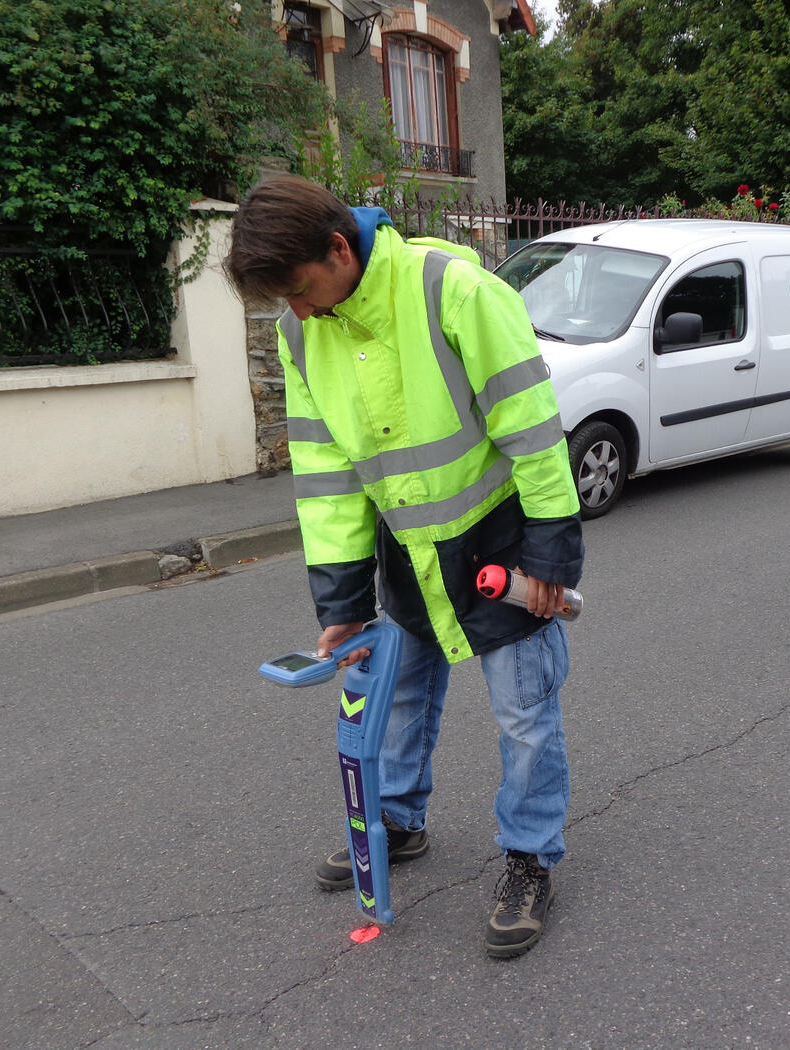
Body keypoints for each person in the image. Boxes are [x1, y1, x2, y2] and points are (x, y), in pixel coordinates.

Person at [226, 174, 584, 958]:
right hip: (409, 553)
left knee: (524, 715)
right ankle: (396, 820)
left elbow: (532, 429)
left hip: (501, 545)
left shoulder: (454, 289)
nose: (298, 311)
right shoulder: (301, 334)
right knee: (398, 700)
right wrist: (342, 604)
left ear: (338, 248)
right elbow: (326, 477)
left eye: (300, 290)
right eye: (284, 300)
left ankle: (530, 857)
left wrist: (551, 553)